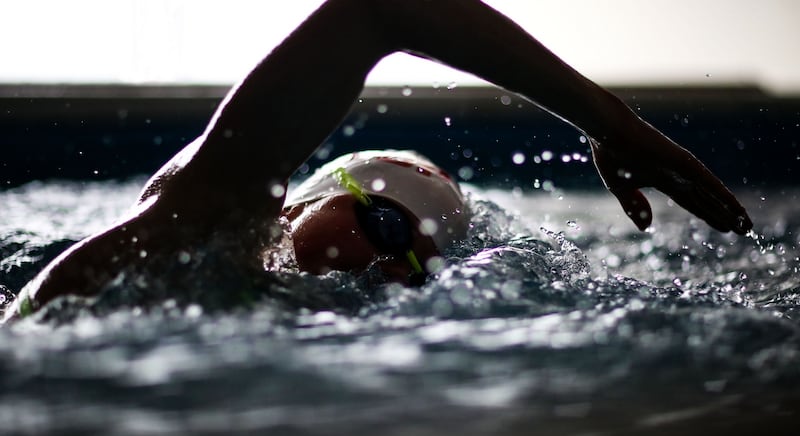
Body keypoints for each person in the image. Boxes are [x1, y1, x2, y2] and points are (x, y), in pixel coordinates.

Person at [2, 0, 752, 322]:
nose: (390, 268)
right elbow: (382, 8)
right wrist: (612, 121)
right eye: (385, 224)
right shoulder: (210, 215)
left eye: (422, 268)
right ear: (294, 204)